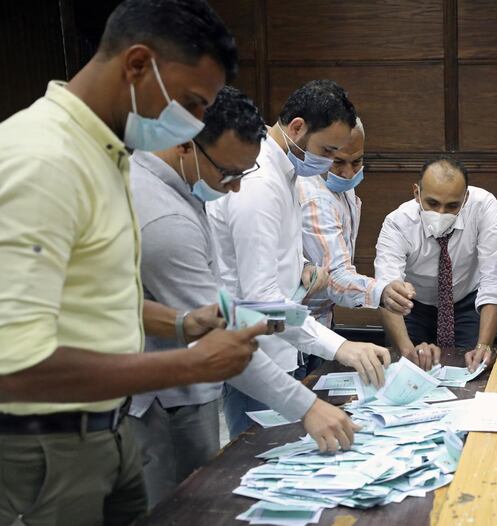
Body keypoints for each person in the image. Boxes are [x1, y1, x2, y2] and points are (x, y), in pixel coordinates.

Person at [0, 1, 269, 524]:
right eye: (190, 103)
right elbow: (13, 365)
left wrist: (180, 324)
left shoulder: (107, 154)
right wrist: (189, 363)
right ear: (138, 64)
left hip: (112, 428)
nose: (192, 124)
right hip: (45, 449)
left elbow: (94, 296)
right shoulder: (43, 161)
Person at [128, 86, 356, 507]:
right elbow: (231, 322)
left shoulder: (186, 184)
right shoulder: (166, 216)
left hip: (193, 379)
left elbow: (222, 313)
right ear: (184, 146)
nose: (234, 190)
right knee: (183, 508)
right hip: (156, 398)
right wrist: (307, 404)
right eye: (228, 174)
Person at [208, 80, 394, 438]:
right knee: (256, 465)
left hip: (281, 349)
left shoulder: (286, 172)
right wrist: (341, 346)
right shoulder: (260, 182)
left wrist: (302, 267)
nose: (328, 164)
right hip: (255, 357)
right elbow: (263, 301)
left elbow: (272, 258)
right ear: (296, 127)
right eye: (327, 151)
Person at [375, 157, 497, 371]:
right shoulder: (397, 223)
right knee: (410, 370)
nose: (441, 213)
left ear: (465, 198)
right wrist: (407, 351)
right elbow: (387, 290)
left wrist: (484, 345)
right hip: (412, 307)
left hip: (466, 301)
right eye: (433, 203)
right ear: (416, 193)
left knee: (471, 368)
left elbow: (493, 277)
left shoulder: (483, 206)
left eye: (452, 206)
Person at [297, 117, 415, 329]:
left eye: (357, 161)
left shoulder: (342, 185)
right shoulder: (316, 198)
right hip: (299, 324)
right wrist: (382, 291)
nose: (348, 173)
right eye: (338, 162)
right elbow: (335, 276)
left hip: (324, 318)